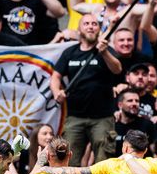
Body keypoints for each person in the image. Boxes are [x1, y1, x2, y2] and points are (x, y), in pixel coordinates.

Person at [52, 14, 121, 166]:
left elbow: (117, 69)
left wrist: (104, 52)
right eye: (86, 23)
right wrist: (57, 92)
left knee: (104, 162)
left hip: (102, 118)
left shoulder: (106, 50)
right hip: (75, 117)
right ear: (79, 29)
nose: (90, 26)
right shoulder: (70, 52)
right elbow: (55, 76)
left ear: (98, 29)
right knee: (69, 161)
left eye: (94, 24)